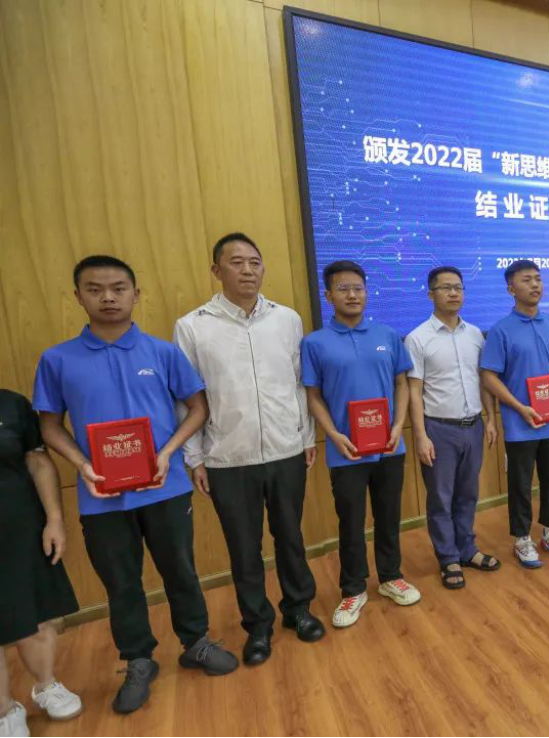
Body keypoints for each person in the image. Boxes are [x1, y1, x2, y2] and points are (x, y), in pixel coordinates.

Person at [33, 255, 237, 716]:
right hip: (101, 497)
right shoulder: (57, 359)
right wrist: (83, 464)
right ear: (78, 296)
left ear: (135, 295)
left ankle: (196, 642)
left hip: (167, 487)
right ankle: (139, 659)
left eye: (119, 288)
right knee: (121, 582)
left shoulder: (162, 352)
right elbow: (49, 426)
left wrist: (168, 453)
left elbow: (198, 408)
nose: (108, 297)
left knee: (181, 570)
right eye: (95, 289)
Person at [174, 232, 322, 666]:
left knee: (291, 537)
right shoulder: (193, 326)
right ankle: (257, 626)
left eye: (255, 262)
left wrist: (306, 436)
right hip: (228, 457)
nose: (248, 270)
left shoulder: (287, 319)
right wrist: (195, 458)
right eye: (236, 262)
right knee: (244, 548)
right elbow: (187, 398)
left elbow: (299, 384)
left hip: (286, 449)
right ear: (216, 270)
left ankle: (298, 609)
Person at [303, 260, 423, 623]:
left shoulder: (387, 335)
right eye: (343, 289)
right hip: (346, 451)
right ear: (328, 296)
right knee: (351, 521)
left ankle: (390, 577)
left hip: (389, 446)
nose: (352, 295)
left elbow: (402, 384)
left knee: (389, 515)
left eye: (358, 288)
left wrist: (398, 425)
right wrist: (333, 435)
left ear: (367, 293)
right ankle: (353, 589)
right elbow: (313, 396)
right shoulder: (315, 343)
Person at [405, 266, 500, 590]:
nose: (453, 293)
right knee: (441, 499)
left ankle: (467, 550)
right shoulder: (418, 338)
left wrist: (490, 419)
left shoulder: (474, 334)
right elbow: (414, 391)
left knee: (468, 495)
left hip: (473, 426)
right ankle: (448, 558)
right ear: (430, 294)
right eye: (445, 288)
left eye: (458, 287)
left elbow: (483, 381)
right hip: (438, 430)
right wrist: (420, 436)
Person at [480, 260, 549, 569]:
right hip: (520, 424)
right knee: (520, 484)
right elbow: (489, 376)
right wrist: (519, 407)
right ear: (511, 288)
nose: (535, 285)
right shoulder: (501, 330)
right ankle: (522, 538)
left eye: (538, 279)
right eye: (526, 280)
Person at [0, 390, 82, 737]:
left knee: (36, 616)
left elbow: (37, 460)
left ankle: (46, 686)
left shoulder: (12, 405)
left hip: (19, 527)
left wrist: (55, 519)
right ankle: (4, 710)